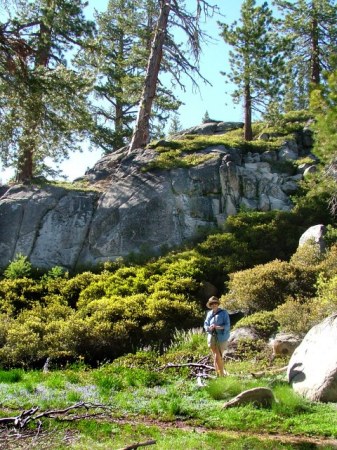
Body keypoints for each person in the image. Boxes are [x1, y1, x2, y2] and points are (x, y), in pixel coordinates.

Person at [204, 296, 230, 377]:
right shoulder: (209, 314)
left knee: (217, 356)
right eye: (212, 304)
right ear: (210, 305)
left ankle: (221, 374)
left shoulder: (224, 313)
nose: (214, 305)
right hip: (212, 337)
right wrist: (209, 328)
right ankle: (218, 374)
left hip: (222, 337)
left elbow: (227, 325)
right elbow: (205, 325)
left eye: (215, 303)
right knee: (215, 356)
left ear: (217, 304)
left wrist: (218, 327)